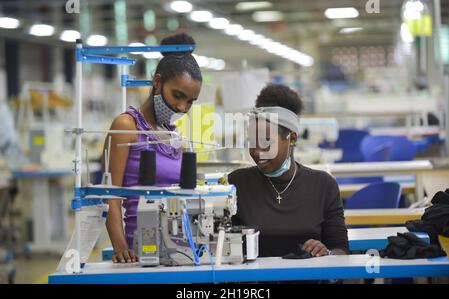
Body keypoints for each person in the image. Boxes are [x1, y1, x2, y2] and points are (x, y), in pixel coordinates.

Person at [103, 33, 202, 264]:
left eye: (190, 101)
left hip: (178, 251)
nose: (182, 106)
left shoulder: (172, 134)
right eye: (177, 95)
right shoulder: (126, 126)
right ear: (157, 82)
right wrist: (121, 247)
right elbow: (110, 195)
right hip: (139, 252)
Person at [228, 84, 349, 257]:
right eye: (252, 141)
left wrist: (326, 253)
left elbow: (342, 250)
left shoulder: (323, 185)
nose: (256, 151)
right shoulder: (237, 184)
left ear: (291, 138)